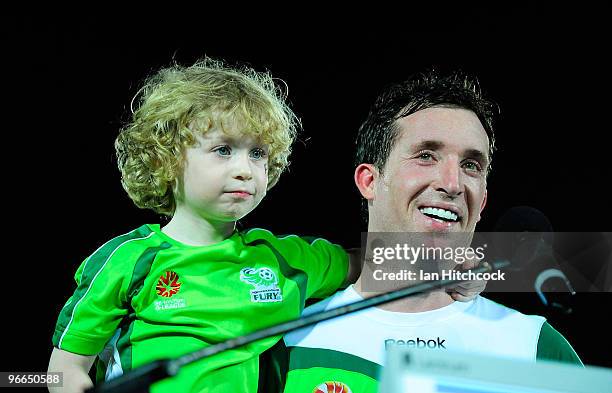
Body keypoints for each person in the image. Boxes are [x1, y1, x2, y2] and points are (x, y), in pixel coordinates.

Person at [47, 59, 354, 393]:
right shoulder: (127, 260)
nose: (245, 170)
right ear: (166, 159)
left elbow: (382, 259)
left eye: (258, 154)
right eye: (223, 150)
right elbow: (63, 372)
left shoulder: (284, 260)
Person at [281, 70, 582, 393]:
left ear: (482, 203)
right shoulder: (286, 341)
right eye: (426, 156)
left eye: (471, 165)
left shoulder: (535, 349)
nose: (452, 184)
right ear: (369, 182)